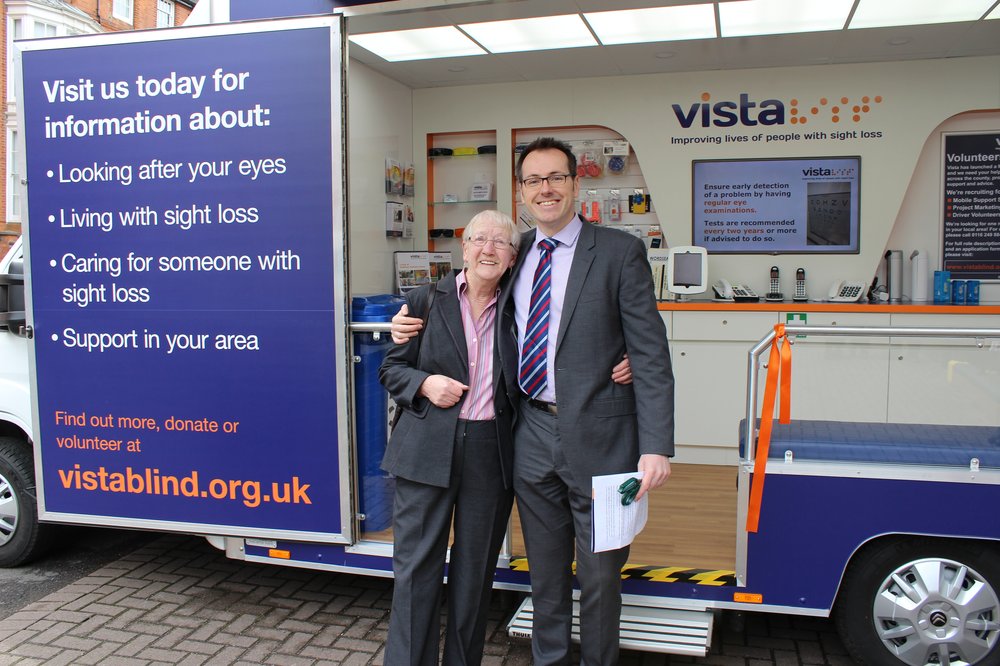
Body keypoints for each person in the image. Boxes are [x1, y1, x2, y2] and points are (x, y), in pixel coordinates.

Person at [392, 137, 674, 665]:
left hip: (606, 441)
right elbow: (463, 299)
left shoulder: (617, 251)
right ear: (522, 191)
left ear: (574, 183)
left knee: (599, 578)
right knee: (543, 577)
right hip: (530, 436)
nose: (545, 189)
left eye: (555, 177)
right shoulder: (512, 253)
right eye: (533, 180)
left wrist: (656, 445)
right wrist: (407, 320)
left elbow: (652, 352)